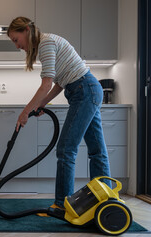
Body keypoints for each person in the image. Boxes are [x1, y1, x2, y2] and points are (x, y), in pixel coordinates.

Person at [7, 16, 111, 213]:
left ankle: (62, 205)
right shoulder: (46, 44)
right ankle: (105, 200)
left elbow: (46, 84)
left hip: (84, 90)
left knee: (66, 149)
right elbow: (59, 83)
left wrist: (25, 112)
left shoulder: (46, 43)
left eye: (15, 39)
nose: (16, 45)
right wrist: (42, 104)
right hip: (86, 89)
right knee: (96, 150)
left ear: (26, 30)